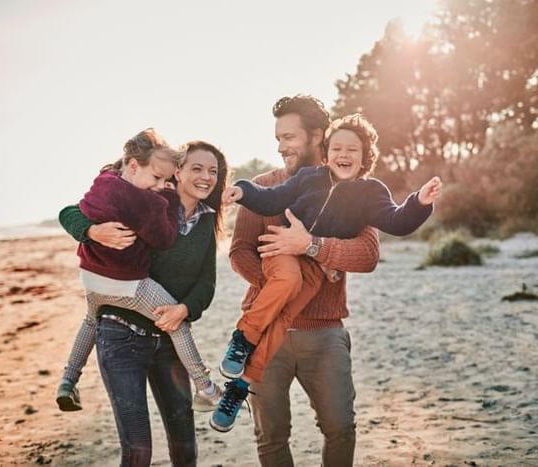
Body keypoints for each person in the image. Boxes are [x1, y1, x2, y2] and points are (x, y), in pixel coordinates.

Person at [211, 114, 441, 432]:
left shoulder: (370, 193)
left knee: (283, 317)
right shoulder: (309, 178)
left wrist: (419, 202)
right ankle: (243, 337)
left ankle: (241, 385)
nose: (343, 155)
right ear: (326, 151)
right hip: (283, 254)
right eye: (337, 148)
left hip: (315, 272)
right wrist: (243, 191)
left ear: (365, 158)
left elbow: (397, 221)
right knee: (287, 284)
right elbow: (271, 199)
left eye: (352, 150)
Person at [226, 95, 377, 466]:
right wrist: (283, 284)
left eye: (289, 138)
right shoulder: (263, 187)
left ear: (317, 136)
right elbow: (239, 251)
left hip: (324, 333)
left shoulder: (354, 189)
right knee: (271, 437)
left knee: (341, 427)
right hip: (264, 336)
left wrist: (312, 246)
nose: (281, 147)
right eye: (278, 138)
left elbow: (368, 253)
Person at [59, 140, 228, 466]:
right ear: (177, 172)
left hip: (170, 340)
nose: (206, 177)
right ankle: (69, 380)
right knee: (138, 453)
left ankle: (203, 385)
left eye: (213, 171)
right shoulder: (144, 200)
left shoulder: (207, 220)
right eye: (197, 168)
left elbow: (206, 282)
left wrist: (185, 309)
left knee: (185, 449)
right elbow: (69, 212)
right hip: (121, 337)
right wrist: (92, 232)